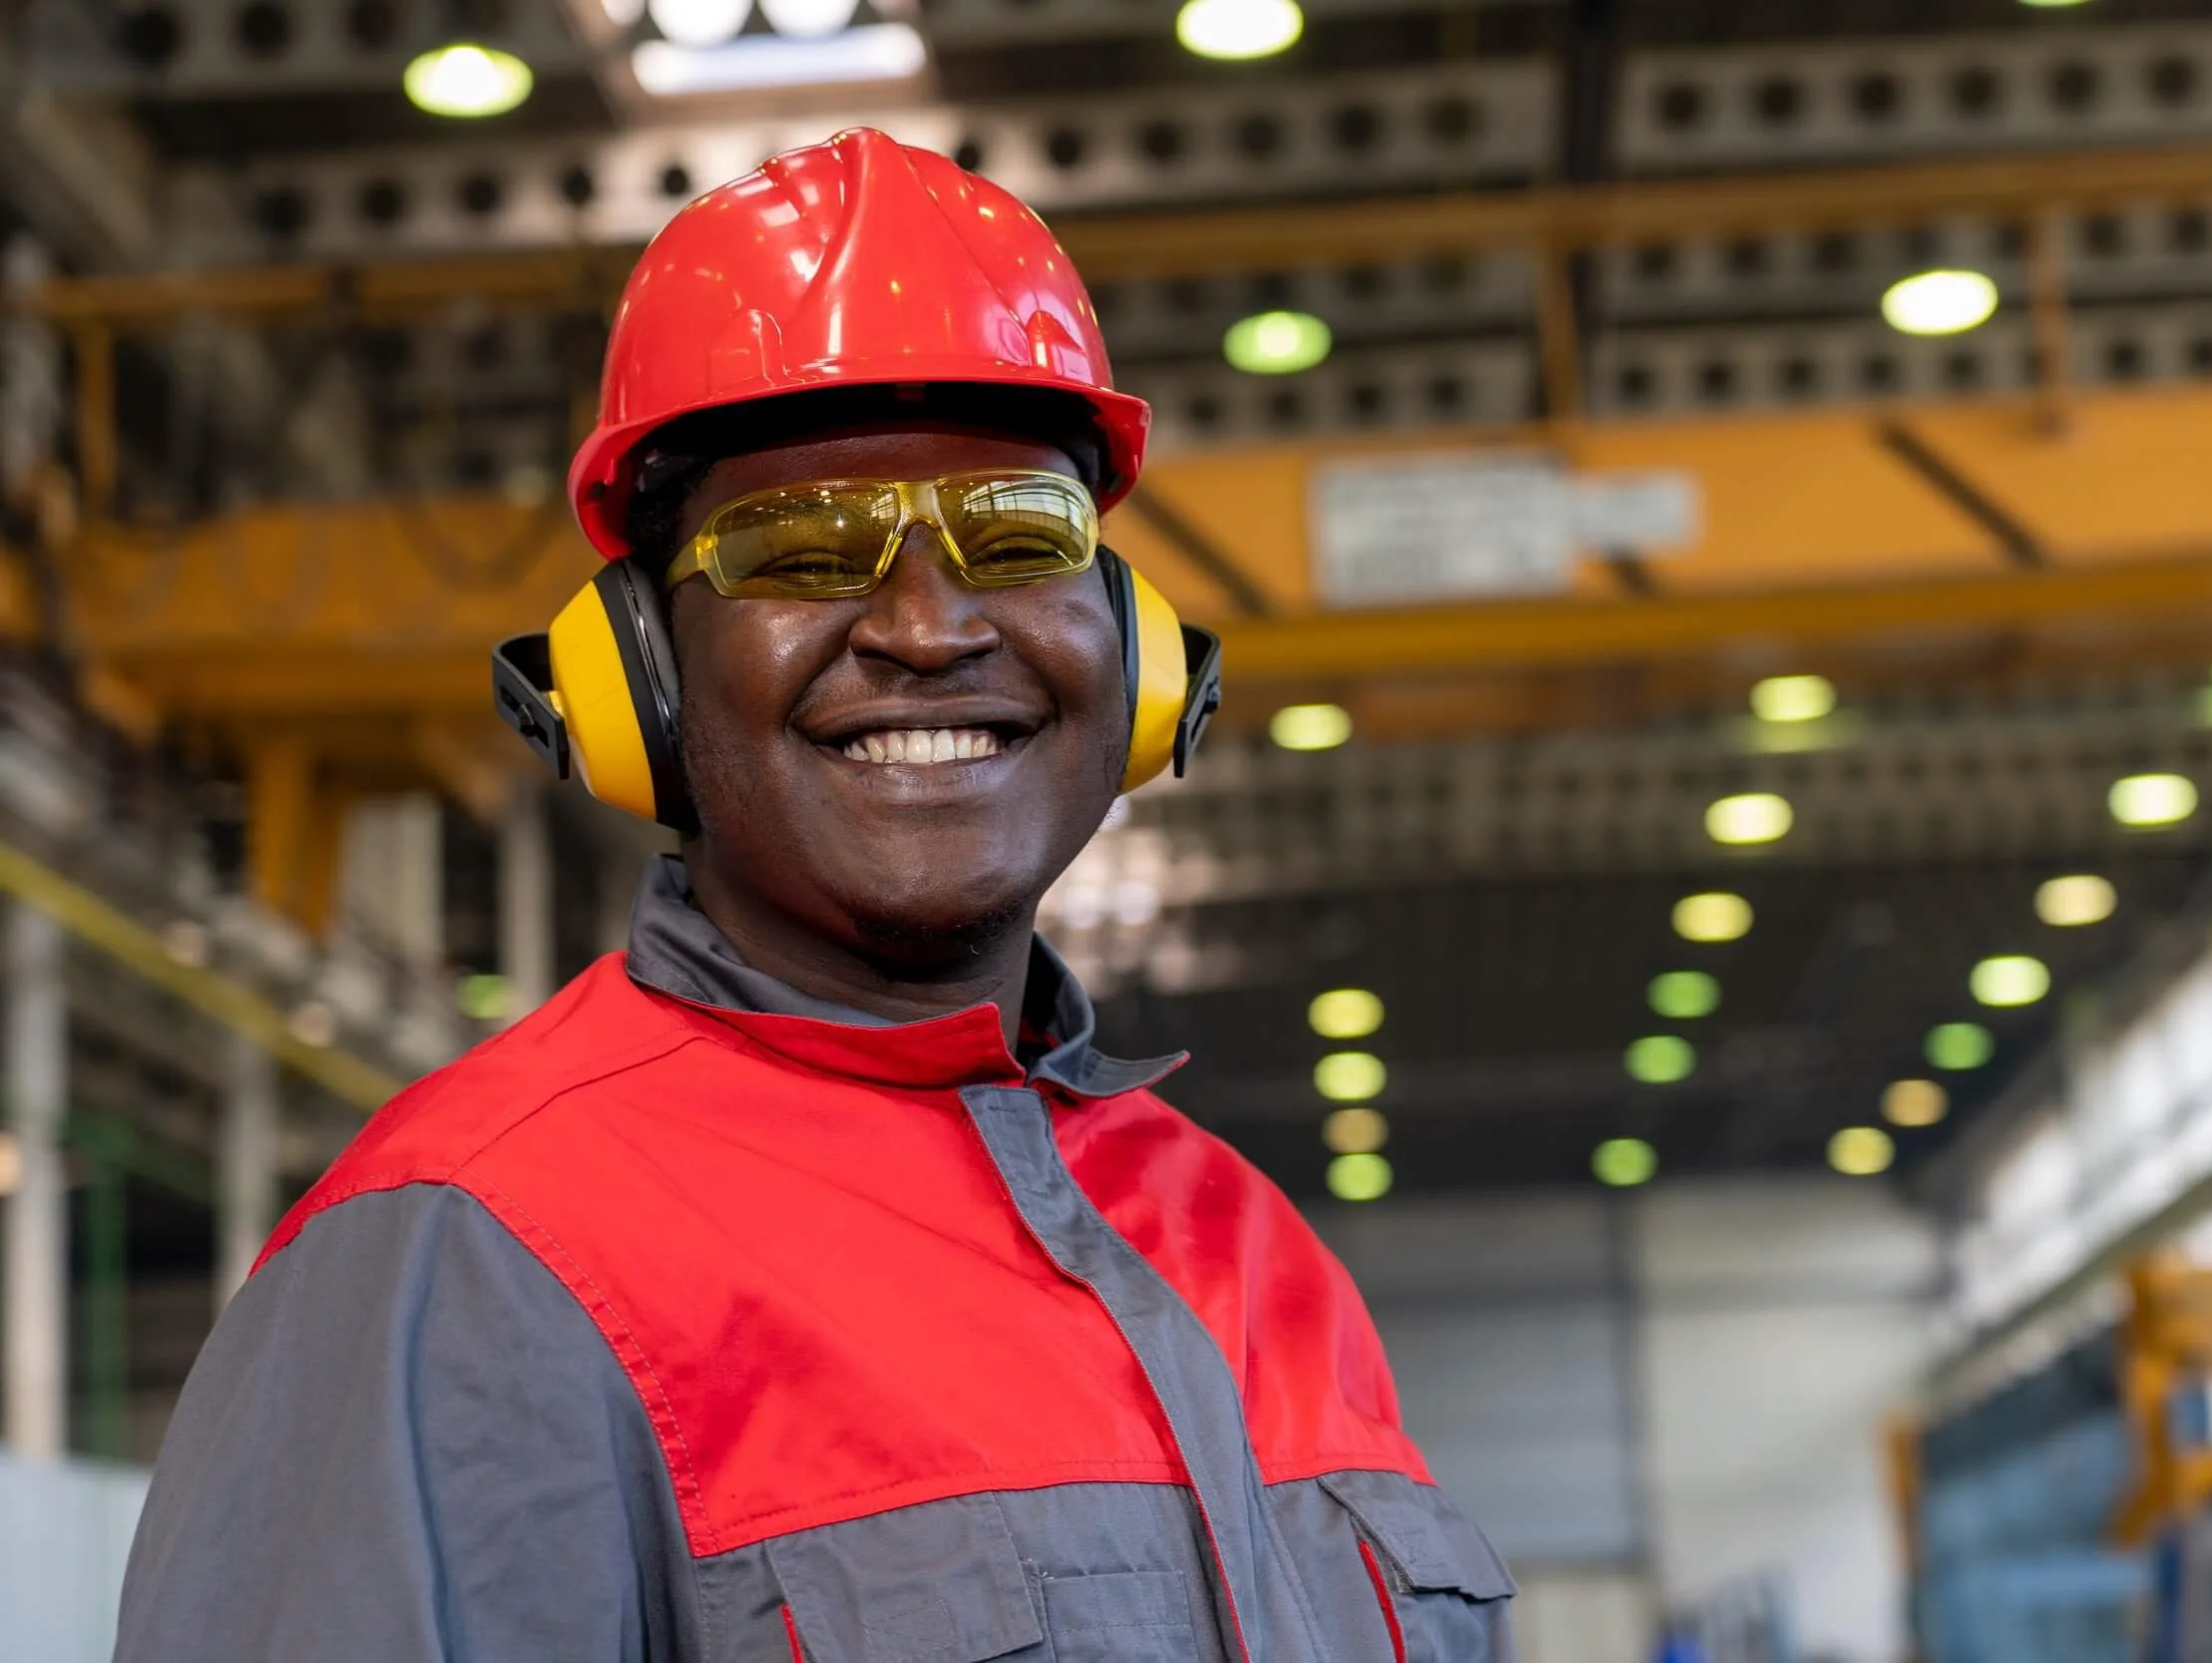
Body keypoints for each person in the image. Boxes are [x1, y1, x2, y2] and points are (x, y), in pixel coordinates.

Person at [114, 128, 1517, 1663]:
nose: (926, 628)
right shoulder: (469, 1263)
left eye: (1016, 535)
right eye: (796, 548)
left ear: (1132, 647)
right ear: (636, 673)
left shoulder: (1250, 1250)